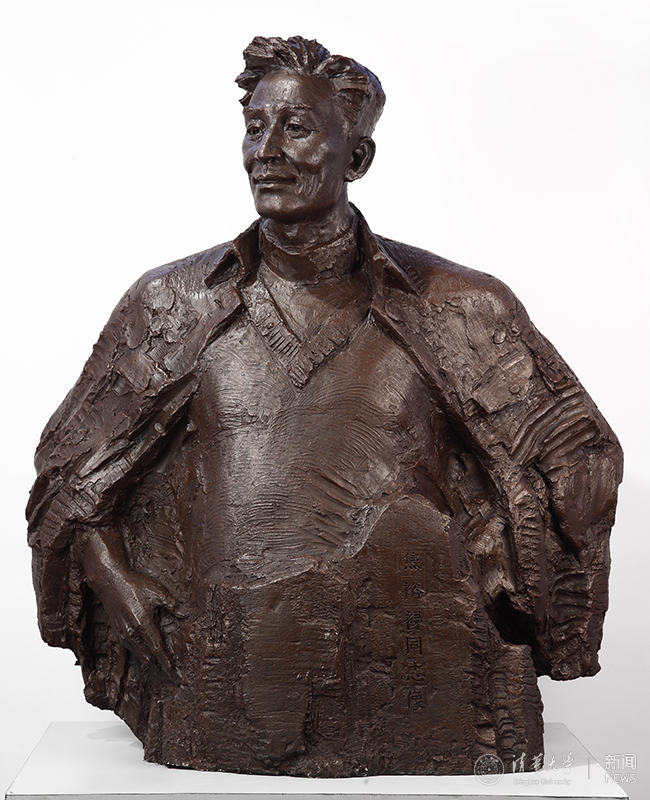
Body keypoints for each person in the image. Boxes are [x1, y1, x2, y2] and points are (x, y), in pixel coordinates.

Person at [27, 36, 623, 777]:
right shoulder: (174, 304)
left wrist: (503, 549)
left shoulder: (459, 307)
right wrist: (115, 576)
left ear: (358, 157)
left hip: (417, 674)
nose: (265, 152)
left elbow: (576, 457)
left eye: (297, 128)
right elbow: (67, 477)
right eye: (254, 126)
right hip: (218, 682)